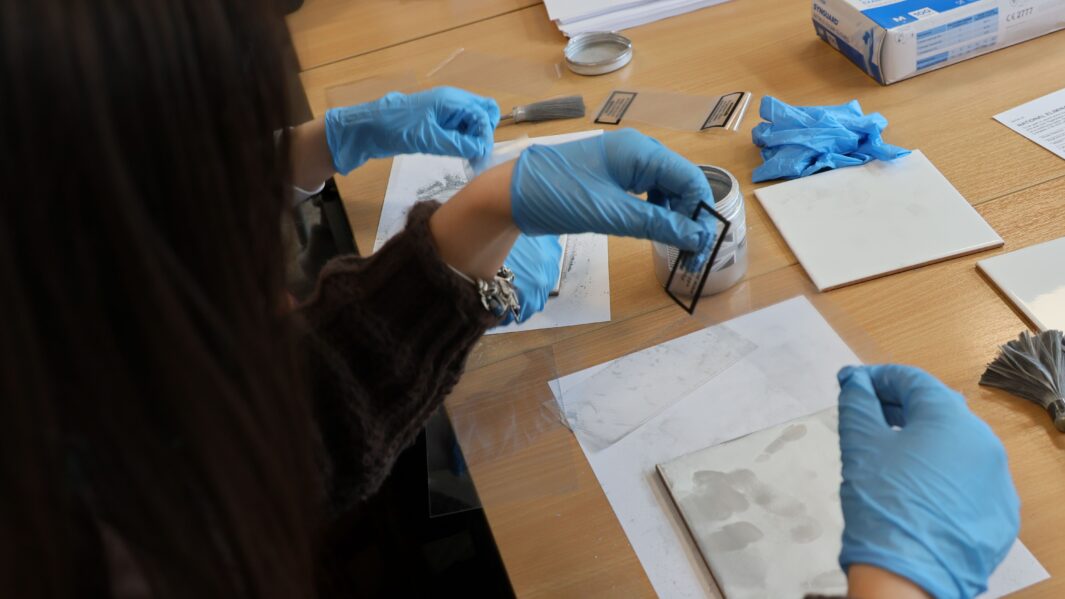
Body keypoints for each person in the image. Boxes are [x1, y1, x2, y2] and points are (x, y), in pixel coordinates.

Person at [0, 2, 1018, 599]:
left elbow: (264, 433)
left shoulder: (85, 439)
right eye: (224, 216)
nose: (282, 284)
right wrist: (900, 583)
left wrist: (469, 228)